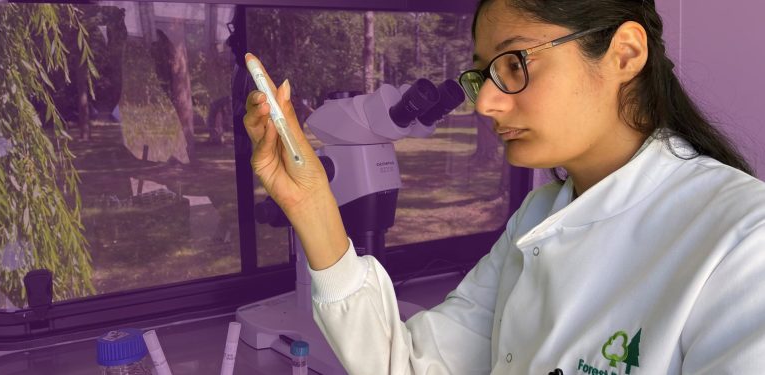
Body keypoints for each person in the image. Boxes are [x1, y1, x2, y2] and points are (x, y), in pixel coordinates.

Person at [242, 0, 765, 373]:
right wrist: (312, 203)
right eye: (481, 75)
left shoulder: (744, 242)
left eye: (514, 64)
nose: (486, 104)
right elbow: (410, 365)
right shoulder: (537, 218)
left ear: (625, 54)